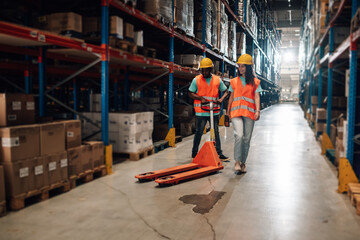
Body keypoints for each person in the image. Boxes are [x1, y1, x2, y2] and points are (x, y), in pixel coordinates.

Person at [188, 57, 230, 161]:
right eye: (202, 70)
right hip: (201, 112)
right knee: (199, 131)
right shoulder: (196, 80)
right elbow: (190, 93)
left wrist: (221, 99)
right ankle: (194, 153)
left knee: (216, 131)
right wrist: (200, 98)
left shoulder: (217, 79)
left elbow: (226, 91)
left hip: (214, 111)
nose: (204, 72)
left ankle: (219, 153)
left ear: (210, 69)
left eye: (206, 70)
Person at [227, 54, 262, 173]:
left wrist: (257, 110)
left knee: (247, 139)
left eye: (243, 66)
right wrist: (227, 112)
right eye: (239, 66)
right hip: (236, 112)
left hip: (249, 114)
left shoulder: (255, 82)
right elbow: (231, 97)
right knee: (239, 136)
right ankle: (237, 161)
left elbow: (257, 97)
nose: (240, 69)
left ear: (249, 68)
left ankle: (243, 163)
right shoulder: (233, 81)